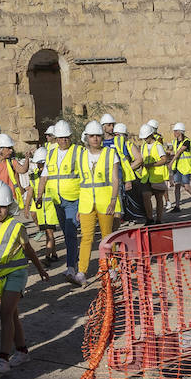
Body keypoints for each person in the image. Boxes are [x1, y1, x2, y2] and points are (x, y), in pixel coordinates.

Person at [0, 181, 48, 375]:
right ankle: (22, 351)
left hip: (17, 274)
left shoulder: (16, 227)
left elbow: (28, 250)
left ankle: (3, 357)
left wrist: (40, 269)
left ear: (9, 207)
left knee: (5, 313)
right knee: (12, 314)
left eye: (3, 206)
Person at [40, 120, 85, 285]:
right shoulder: (51, 153)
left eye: (67, 137)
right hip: (57, 200)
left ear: (70, 137)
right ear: (56, 139)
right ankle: (74, 261)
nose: (64, 140)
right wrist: (39, 194)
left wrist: (83, 203)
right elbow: (45, 175)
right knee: (66, 234)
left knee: (71, 233)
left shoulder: (78, 151)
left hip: (73, 199)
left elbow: (84, 176)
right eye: (61, 138)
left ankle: (71, 267)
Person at [76, 121, 123, 278]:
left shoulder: (110, 153)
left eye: (97, 135)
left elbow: (115, 179)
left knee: (107, 236)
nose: (95, 139)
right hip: (86, 203)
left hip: (105, 202)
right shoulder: (81, 155)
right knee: (86, 238)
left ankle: (112, 267)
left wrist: (113, 200)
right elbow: (79, 182)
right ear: (87, 138)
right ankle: (82, 271)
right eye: (92, 136)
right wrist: (78, 207)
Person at [25, 147, 58, 261]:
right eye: (38, 164)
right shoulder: (34, 176)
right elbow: (30, 192)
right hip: (41, 211)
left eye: (40, 164)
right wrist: (26, 208)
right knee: (49, 234)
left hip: (50, 211)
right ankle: (54, 255)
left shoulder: (52, 175)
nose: (39, 166)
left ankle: (47, 257)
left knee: (49, 234)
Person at [139, 122, 170, 224]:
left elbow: (164, 159)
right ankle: (149, 218)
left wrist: (152, 165)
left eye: (146, 137)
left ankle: (159, 220)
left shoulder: (158, 146)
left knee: (158, 198)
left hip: (157, 177)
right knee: (145, 196)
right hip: (146, 177)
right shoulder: (143, 146)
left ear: (151, 135)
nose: (145, 139)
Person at [169, 123, 191, 212]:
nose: (174, 133)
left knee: (187, 187)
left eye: (175, 131)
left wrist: (171, 161)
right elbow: (172, 151)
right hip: (177, 167)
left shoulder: (186, 141)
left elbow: (179, 152)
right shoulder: (174, 142)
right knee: (177, 186)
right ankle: (177, 206)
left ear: (180, 132)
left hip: (186, 167)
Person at [0, 133, 28, 203]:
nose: (11, 150)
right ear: (1, 149)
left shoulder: (11, 162)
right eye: (8, 148)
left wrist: (27, 158)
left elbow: (23, 170)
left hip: (10, 198)